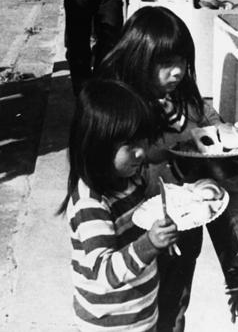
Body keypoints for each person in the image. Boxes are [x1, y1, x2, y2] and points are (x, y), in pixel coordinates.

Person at [96, 6, 221, 331]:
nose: (177, 72)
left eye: (181, 61)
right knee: (138, 313)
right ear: (138, 59)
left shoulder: (184, 101)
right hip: (137, 234)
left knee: (174, 308)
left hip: (184, 226)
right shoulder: (122, 111)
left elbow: (208, 123)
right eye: (165, 63)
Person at [59, 80, 178, 332]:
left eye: (143, 142)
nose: (140, 153)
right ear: (98, 146)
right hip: (110, 325)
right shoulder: (90, 202)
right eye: (130, 146)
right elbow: (103, 271)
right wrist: (151, 243)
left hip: (140, 316)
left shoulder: (127, 178)